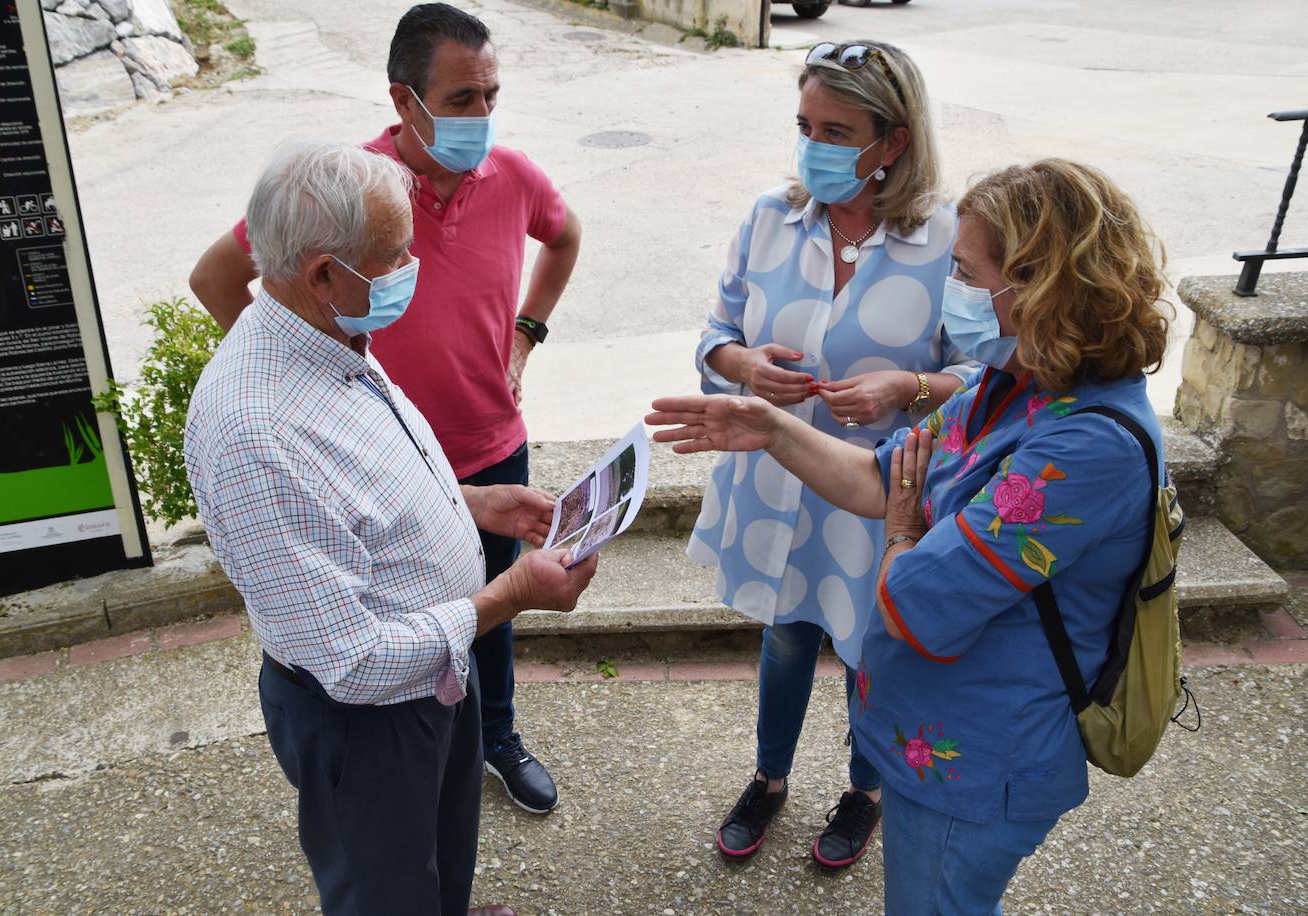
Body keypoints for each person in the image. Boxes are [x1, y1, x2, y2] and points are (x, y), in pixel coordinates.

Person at [650, 158, 1171, 913]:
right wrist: (770, 429)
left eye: (963, 271)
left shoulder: (1089, 447)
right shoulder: (1015, 383)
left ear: (1034, 283)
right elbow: (880, 474)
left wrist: (903, 528)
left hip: (979, 769)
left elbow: (915, 605)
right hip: (935, 743)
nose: (950, 290)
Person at [184, 141, 598, 916]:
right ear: (321, 273)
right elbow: (352, 662)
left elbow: (358, 493)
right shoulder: (256, 430)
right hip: (366, 721)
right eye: (395, 254)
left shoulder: (328, 337)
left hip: (434, 671)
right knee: (384, 892)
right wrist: (508, 595)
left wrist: (475, 503)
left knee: (438, 856)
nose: (414, 265)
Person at [691, 40, 973, 869]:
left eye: (837, 129)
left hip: (879, 494)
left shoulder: (948, 238)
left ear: (892, 141)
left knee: (868, 649)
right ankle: (768, 779)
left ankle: (866, 790)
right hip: (778, 484)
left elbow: (986, 377)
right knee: (785, 638)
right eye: (806, 125)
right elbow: (715, 336)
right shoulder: (768, 220)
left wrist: (907, 387)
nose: (814, 145)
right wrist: (741, 366)